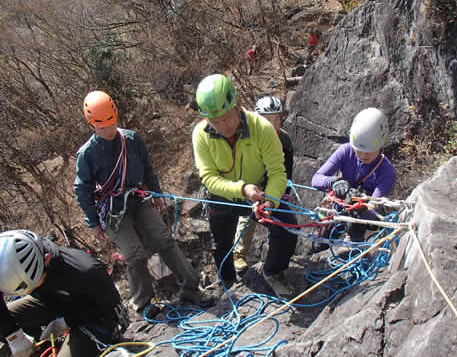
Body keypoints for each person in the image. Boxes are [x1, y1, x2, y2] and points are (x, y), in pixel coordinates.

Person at [74, 90, 214, 317]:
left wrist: (156, 194)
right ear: (93, 125)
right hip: (112, 209)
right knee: (135, 254)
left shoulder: (130, 139)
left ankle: (190, 288)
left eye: (112, 124)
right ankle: (142, 303)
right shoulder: (87, 154)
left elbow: (147, 167)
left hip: (137, 198)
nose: (109, 130)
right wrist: (93, 222)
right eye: (103, 127)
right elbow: (82, 189)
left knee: (164, 239)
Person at [192, 74, 298, 297]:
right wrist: (242, 189)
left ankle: (273, 272)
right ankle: (228, 282)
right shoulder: (200, 135)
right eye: (215, 121)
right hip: (222, 195)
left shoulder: (262, 128)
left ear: (238, 105)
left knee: (288, 228)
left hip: (259, 192)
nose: (222, 126)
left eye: (226, 118)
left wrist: (270, 199)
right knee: (221, 244)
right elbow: (209, 178)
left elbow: (278, 172)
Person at [0, 230, 126, 357]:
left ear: (46, 260)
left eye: (32, 286)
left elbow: (110, 306)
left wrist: (67, 321)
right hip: (51, 301)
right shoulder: (4, 264)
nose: (29, 292)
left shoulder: (85, 270)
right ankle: (42, 347)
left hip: (89, 318)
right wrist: (13, 336)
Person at [310, 108, 396, 253]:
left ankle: (352, 245)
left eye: (369, 151)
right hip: (336, 213)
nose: (363, 155)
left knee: (351, 249)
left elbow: (373, 211)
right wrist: (335, 182)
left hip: (359, 222)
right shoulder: (346, 151)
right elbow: (316, 179)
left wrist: (360, 206)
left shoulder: (387, 172)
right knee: (319, 246)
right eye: (358, 150)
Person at [233, 95, 295, 273]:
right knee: (249, 215)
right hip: (252, 181)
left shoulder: (284, 139)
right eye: (268, 120)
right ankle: (239, 254)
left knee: (277, 216)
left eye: (277, 119)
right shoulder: (248, 137)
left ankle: (273, 257)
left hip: (275, 179)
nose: (273, 124)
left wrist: (285, 188)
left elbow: (287, 166)